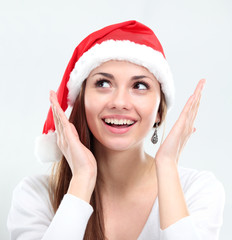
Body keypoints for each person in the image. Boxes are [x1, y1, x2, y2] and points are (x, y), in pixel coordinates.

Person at [7, 20, 225, 240]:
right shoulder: (36, 196)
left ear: (160, 111)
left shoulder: (197, 191)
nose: (119, 102)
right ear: (82, 101)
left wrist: (167, 166)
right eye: (103, 83)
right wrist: (83, 178)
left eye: (139, 86)